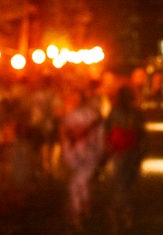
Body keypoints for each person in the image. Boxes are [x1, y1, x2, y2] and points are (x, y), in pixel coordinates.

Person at [60, 89, 105, 231]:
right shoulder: (72, 116)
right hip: (82, 155)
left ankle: (78, 212)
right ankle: (82, 209)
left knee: (77, 183)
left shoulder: (87, 116)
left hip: (85, 154)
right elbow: (65, 136)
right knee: (80, 182)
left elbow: (98, 134)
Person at [105, 86, 145, 233]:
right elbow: (141, 134)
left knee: (120, 185)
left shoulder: (116, 112)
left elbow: (107, 131)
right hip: (128, 153)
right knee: (127, 185)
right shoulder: (135, 113)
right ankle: (125, 214)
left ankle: (119, 215)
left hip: (120, 153)